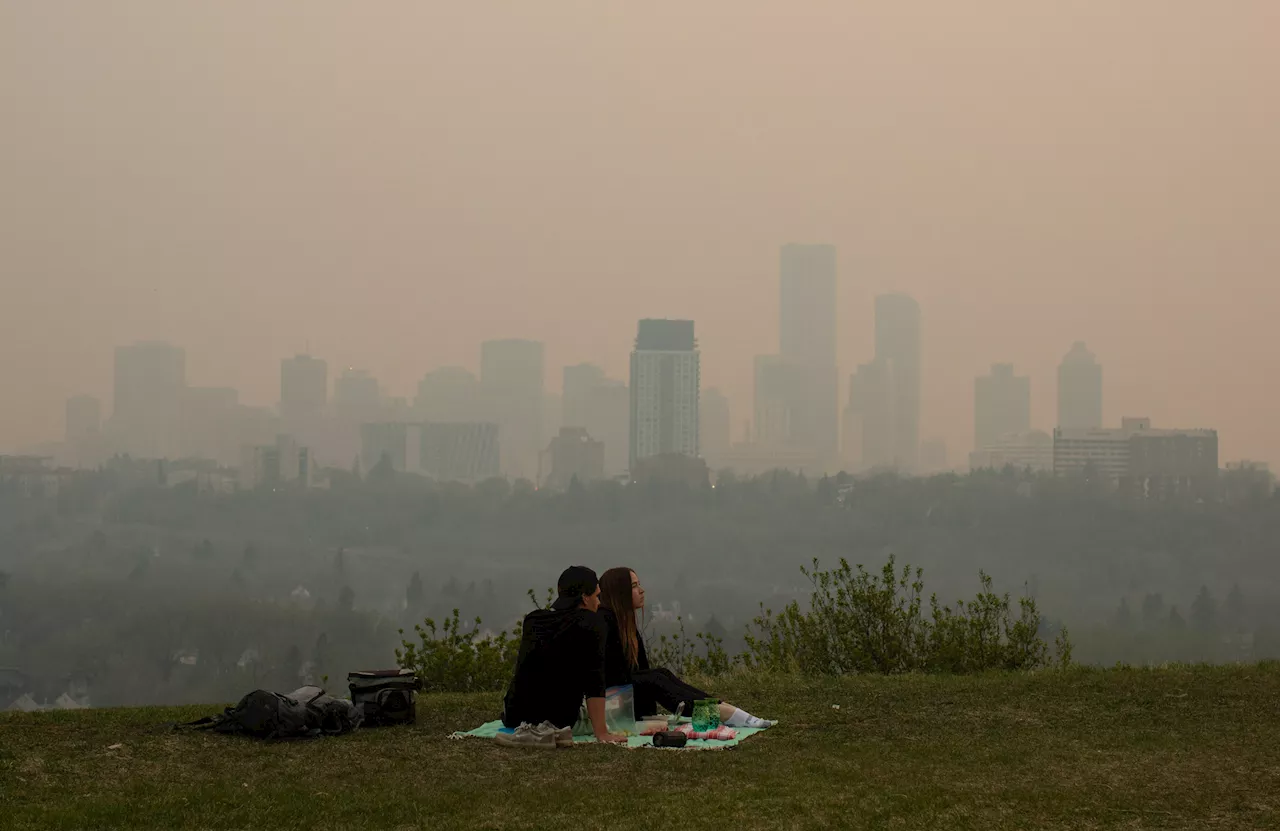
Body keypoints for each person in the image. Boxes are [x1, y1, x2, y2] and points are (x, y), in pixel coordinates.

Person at [597, 566, 774, 729]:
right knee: (656, 678)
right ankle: (722, 712)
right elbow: (613, 677)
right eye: (634, 586)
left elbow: (640, 670)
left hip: (625, 698)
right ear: (620, 592)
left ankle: (719, 707)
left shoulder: (626, 625)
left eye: (639, 584)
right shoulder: (605, 623)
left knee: (661, 674)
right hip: (608, 702)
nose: (641, 591)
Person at [500, 565, 626, 745]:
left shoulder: (533, 619)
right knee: (619, 707)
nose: (599, 603)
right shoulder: (592, 622)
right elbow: (594, 678)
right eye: (596, 596)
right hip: (558, 720)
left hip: (515, 714)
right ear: (584, 597)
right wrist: (602, 732)